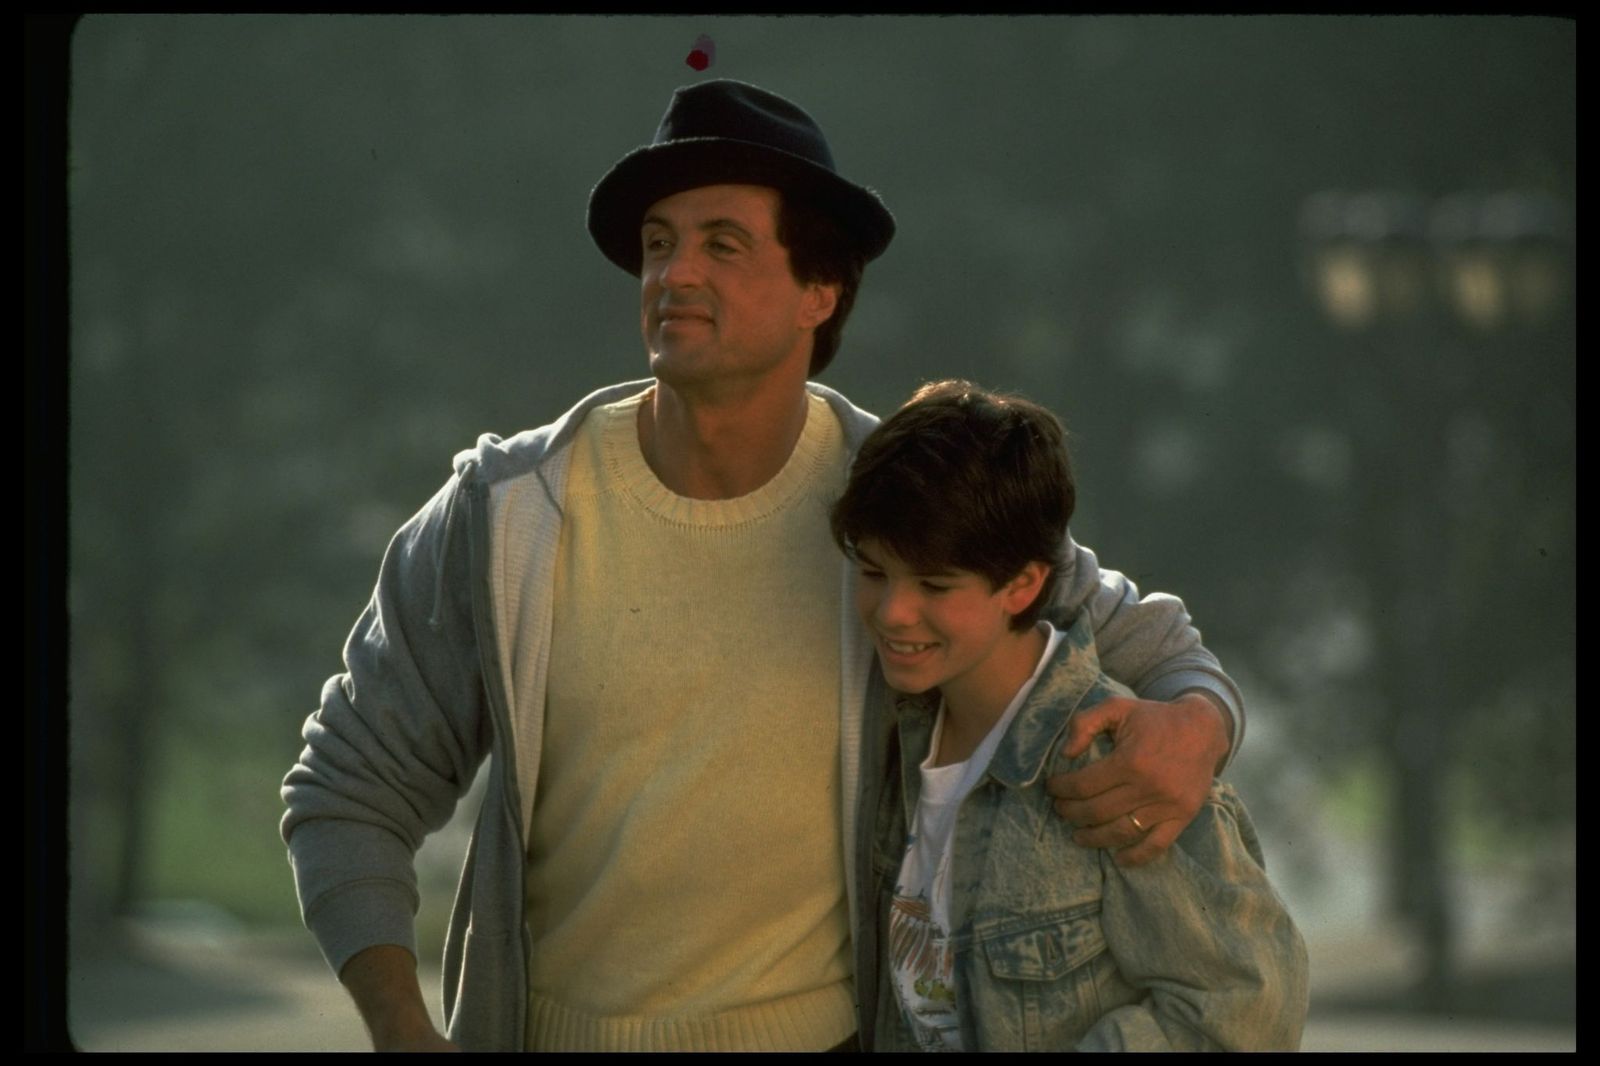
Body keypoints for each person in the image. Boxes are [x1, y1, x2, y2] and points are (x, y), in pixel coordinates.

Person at [280, 78, 1244, 1053]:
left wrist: (1197, 726)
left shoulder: (906, 505)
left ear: (818, 292)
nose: (673, 274)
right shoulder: (507, 516)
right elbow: (345, 789)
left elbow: (1155, 645)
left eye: (720, 244)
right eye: (658, 243)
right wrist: (402, 1027)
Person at [832, 380, 1308, 1051]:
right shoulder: (894, 739)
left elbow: (1244, 1010)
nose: (892, 613)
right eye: (873, 573)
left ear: (1024, 584)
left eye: (935, 585)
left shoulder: (1114, 764)